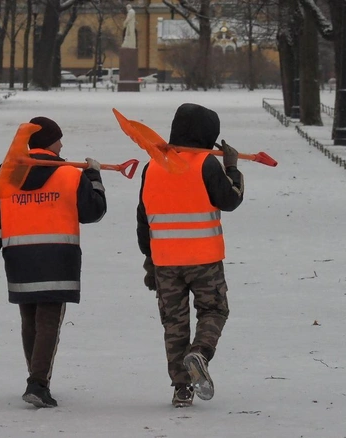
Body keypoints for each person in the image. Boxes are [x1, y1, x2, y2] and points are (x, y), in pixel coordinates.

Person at [0, 116, 107, 408]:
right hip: (58, 260)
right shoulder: (70, 174)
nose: (62, 144)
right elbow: (93, 211)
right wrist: (95, 177)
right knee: (48, 323)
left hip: (20, 260)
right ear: (49, 142)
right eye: (59, 139)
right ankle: (38, 383)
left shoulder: (8, 176)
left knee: (30, 322)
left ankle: (36, 377)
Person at [136, 103, 244, 408]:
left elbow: (143, 217)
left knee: (174, 322)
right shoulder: (207, 164)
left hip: (166, 261)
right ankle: (200, 353)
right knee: (214, 311)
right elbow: (230, 199)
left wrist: (149, 258)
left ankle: (181, 388)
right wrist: (232, 167)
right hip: (204, 257)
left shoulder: (152, 166)